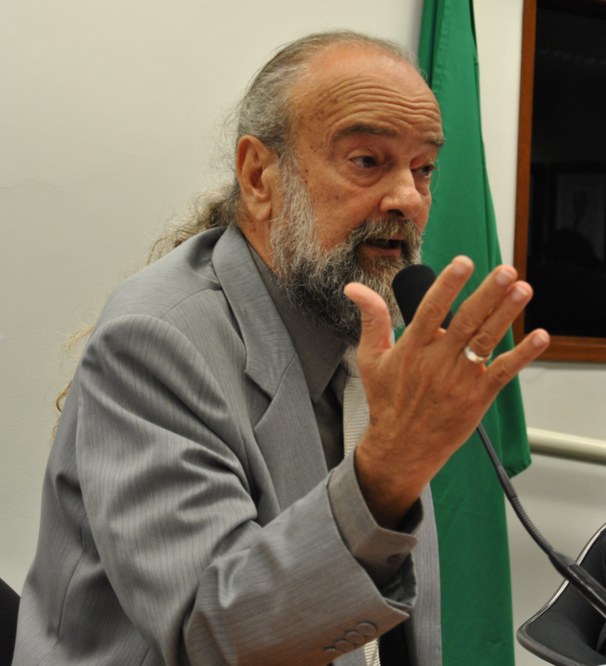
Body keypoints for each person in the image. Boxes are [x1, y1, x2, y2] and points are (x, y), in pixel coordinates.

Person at [12, 30, 550, 666]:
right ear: (259, 176)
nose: (409, 197)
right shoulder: (156, 339)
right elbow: (214, 636)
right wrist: (386, 473)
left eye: (423, 167)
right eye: (367, 160)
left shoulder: (367, 322)